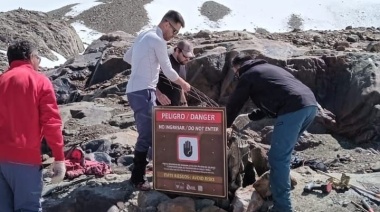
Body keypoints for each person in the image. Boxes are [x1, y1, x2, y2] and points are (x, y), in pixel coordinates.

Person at [226, 54, 318, 212]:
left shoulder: (247, 75)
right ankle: (277, 190)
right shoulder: (269, 69)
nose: (236, 76)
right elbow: (275, 97)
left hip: (293, 109)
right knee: (283, 155)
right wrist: (249, 116)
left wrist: (222, 125)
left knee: (277, 158)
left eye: (235, 73)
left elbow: (235, 103)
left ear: (239, 67)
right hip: (310, 106)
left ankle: (283, 207)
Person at [123, 10, 191, 191]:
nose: (174, 35)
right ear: (167, 24)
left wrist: (144, 66)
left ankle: (154, 168)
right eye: (174, 31)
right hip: (144, 91)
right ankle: (137, 179)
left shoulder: (144, 35)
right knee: (147, 134)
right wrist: (183, 83)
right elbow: (168, 71)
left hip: (135, 90)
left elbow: (127, 57)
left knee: (153, 131)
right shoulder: (158, 40)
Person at [0, 40, 66, 211]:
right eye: (38, 57)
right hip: (24, 159)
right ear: (30, 58)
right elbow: (51, 123)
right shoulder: (40, 81)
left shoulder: (1, 80)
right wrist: (59, 158)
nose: (39, 62)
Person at [156, 40, 194, 106]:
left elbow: (179, 85)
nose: (187, 59)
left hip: (174, 107)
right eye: (185, 56)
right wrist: (158, 95)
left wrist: (184, 102)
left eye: (189, 57)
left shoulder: (183, 63)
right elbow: (148, 81)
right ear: (177, 51)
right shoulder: (165, 61)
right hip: (159, 106)